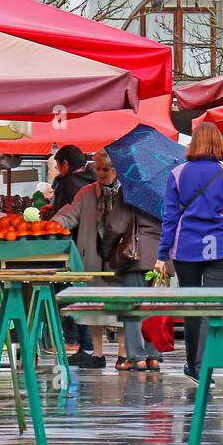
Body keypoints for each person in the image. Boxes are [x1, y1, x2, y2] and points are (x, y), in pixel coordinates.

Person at [155, 122, 223, 384]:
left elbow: (169, 218)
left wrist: (162, 255)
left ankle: (194, 364)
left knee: (192, 306)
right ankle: (201, 366)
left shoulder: (176, 174)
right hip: (220, 249)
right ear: (218, 143)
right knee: (211, 305)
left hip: (185, 248)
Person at [55, 149, 165, 371]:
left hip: (123, 256)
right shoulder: (87, 193)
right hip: (97, 255)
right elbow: (70, 214)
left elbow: (117, 224)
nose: (100, 173)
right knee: (96, 306)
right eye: (98, 168)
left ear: (117, 170)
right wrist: (54, 223)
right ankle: (98, 353)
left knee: (126, 306)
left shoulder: (130, 193)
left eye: (105, 169)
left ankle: (125, 353)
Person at [49, 144, 97, 354]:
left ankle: (72, 339)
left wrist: (51, 216)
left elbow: (62, 217)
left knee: (67, 292)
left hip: (69, 246)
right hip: (91, 246)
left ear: (65, 164)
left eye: (58, 167)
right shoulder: (93, 183)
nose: (58, 171)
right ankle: (87, 344)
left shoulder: (67, 183)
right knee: (85, 293)